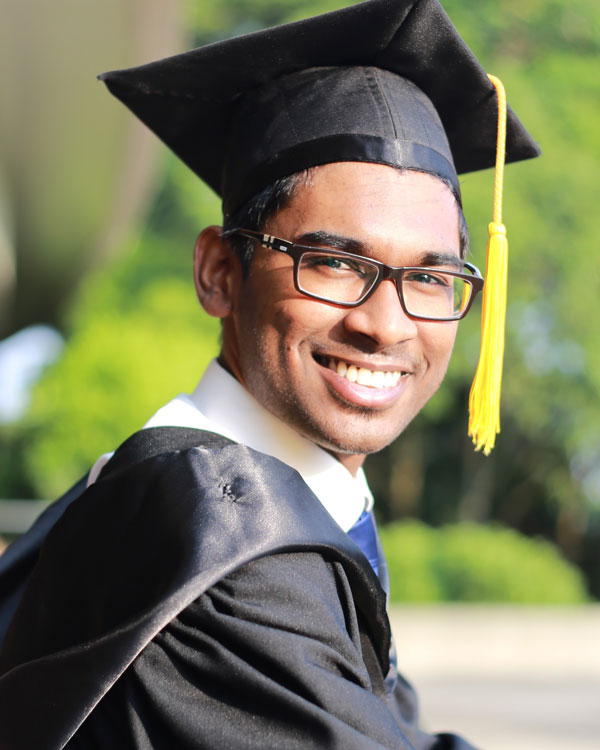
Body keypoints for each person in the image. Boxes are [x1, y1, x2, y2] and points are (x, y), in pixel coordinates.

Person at [0, 0, 540, 748]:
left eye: (431, 279)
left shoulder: (266, 499)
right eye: (335, 264)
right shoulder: (222, 544)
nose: (385, 324)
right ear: (220, 272)